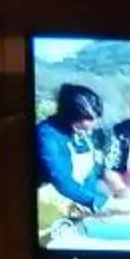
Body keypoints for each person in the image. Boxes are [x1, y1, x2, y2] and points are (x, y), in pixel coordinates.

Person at [35, 84, 110, 218]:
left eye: (91, 129)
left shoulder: (84, 133)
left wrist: (97, 200)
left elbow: (90, 174)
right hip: (51, 203)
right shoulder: (47, 136)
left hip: (80, 200)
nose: (89, 133)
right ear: (68, 118)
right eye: (82, 129)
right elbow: (62, 180)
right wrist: (95, 201)